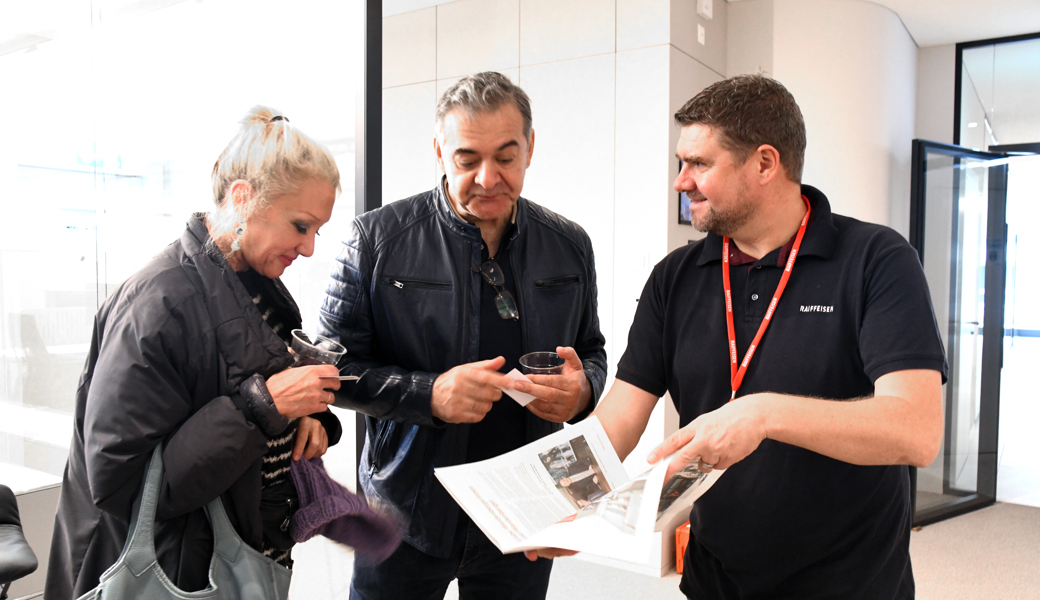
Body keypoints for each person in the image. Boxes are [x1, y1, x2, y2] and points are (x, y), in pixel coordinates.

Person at [526, 75, 948, 599]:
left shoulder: (877, 259)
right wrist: (557, 504)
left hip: (850, 582)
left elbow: (916, 430)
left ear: (765, 163)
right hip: (716, 579)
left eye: (699, 164)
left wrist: (762, 414)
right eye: (681, 163)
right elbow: (619, 419)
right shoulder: (674, 277)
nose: (681, 182)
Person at [319, 71, 607, 600]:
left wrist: (584, 388)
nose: (488, 178)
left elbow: (591, 349)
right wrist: (429, 394)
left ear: (530, 147)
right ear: (439, 150)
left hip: (526, 511)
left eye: (506, 157)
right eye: (467, 159)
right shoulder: (376, 240)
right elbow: (332, 369)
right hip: (406, 513)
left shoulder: (569, 245)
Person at [47, 107, 345, 598]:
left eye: (317, 230)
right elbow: (122, 484)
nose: (309, 248)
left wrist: (307, 417)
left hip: (241, 561)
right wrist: (263, 407)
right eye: (300, 226)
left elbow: (256, 397)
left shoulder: (258, 285)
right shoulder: (159, 303)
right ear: (243, 198)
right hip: (176, 573)